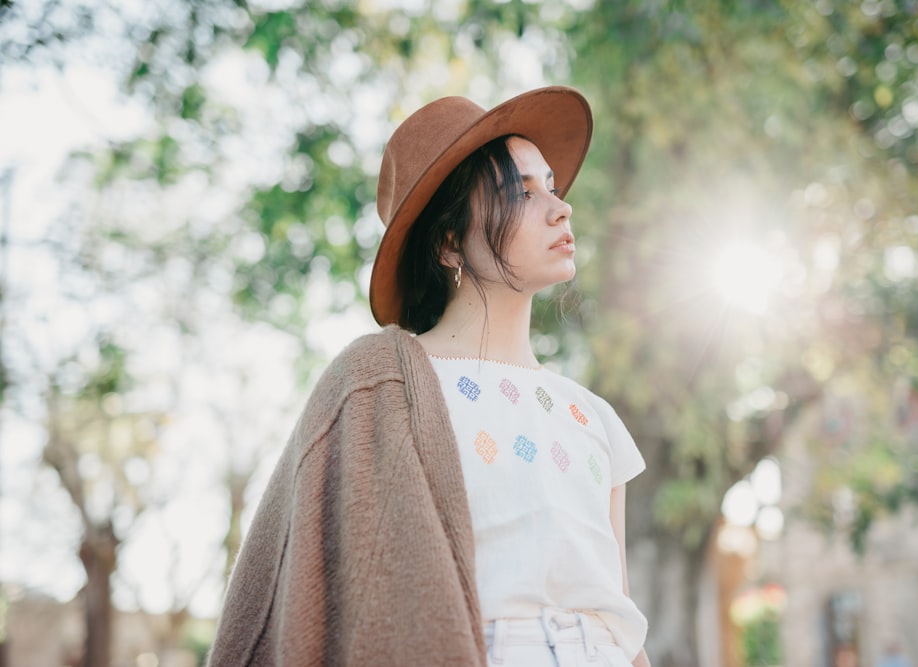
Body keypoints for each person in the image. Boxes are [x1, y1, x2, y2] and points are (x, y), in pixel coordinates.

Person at [207, 86, 651, 666]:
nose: (560, 207)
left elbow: (618, 616)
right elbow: (302, 588)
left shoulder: (593, 417)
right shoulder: (384, 384)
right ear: (447, 242)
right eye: (521, 192)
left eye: (554, 187)